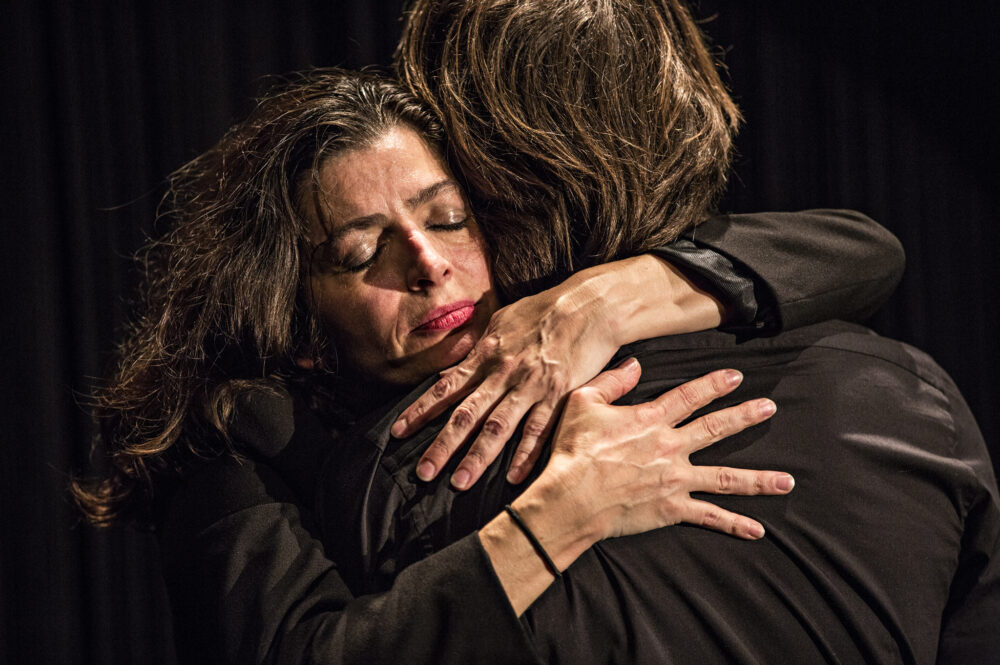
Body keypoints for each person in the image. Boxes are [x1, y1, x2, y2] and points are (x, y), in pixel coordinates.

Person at [90, 68, 909, 665]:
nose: (428, 262)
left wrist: (617, 296)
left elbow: (866, 252)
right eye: (362, 253)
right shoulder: (235, 441)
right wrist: (561, 515)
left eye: (448, 218)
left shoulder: (542, 311)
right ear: (296, 321)